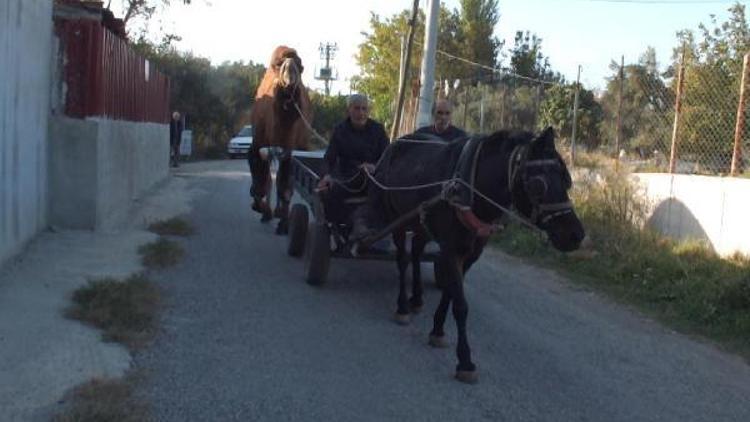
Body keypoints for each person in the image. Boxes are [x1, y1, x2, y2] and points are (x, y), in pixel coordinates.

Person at [317, 94, 389, 236]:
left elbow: (388, 156)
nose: (361, 113)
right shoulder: (340, 130)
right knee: (330, 190)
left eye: (364, 109)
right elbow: (329, 158)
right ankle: (339, 227)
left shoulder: (378, 130)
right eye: (357, 109)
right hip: (347, 178)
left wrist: (374, 167)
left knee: (388, 192)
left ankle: (366, 224)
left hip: (373, 179)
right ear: (349, 110)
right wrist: (325, 176)